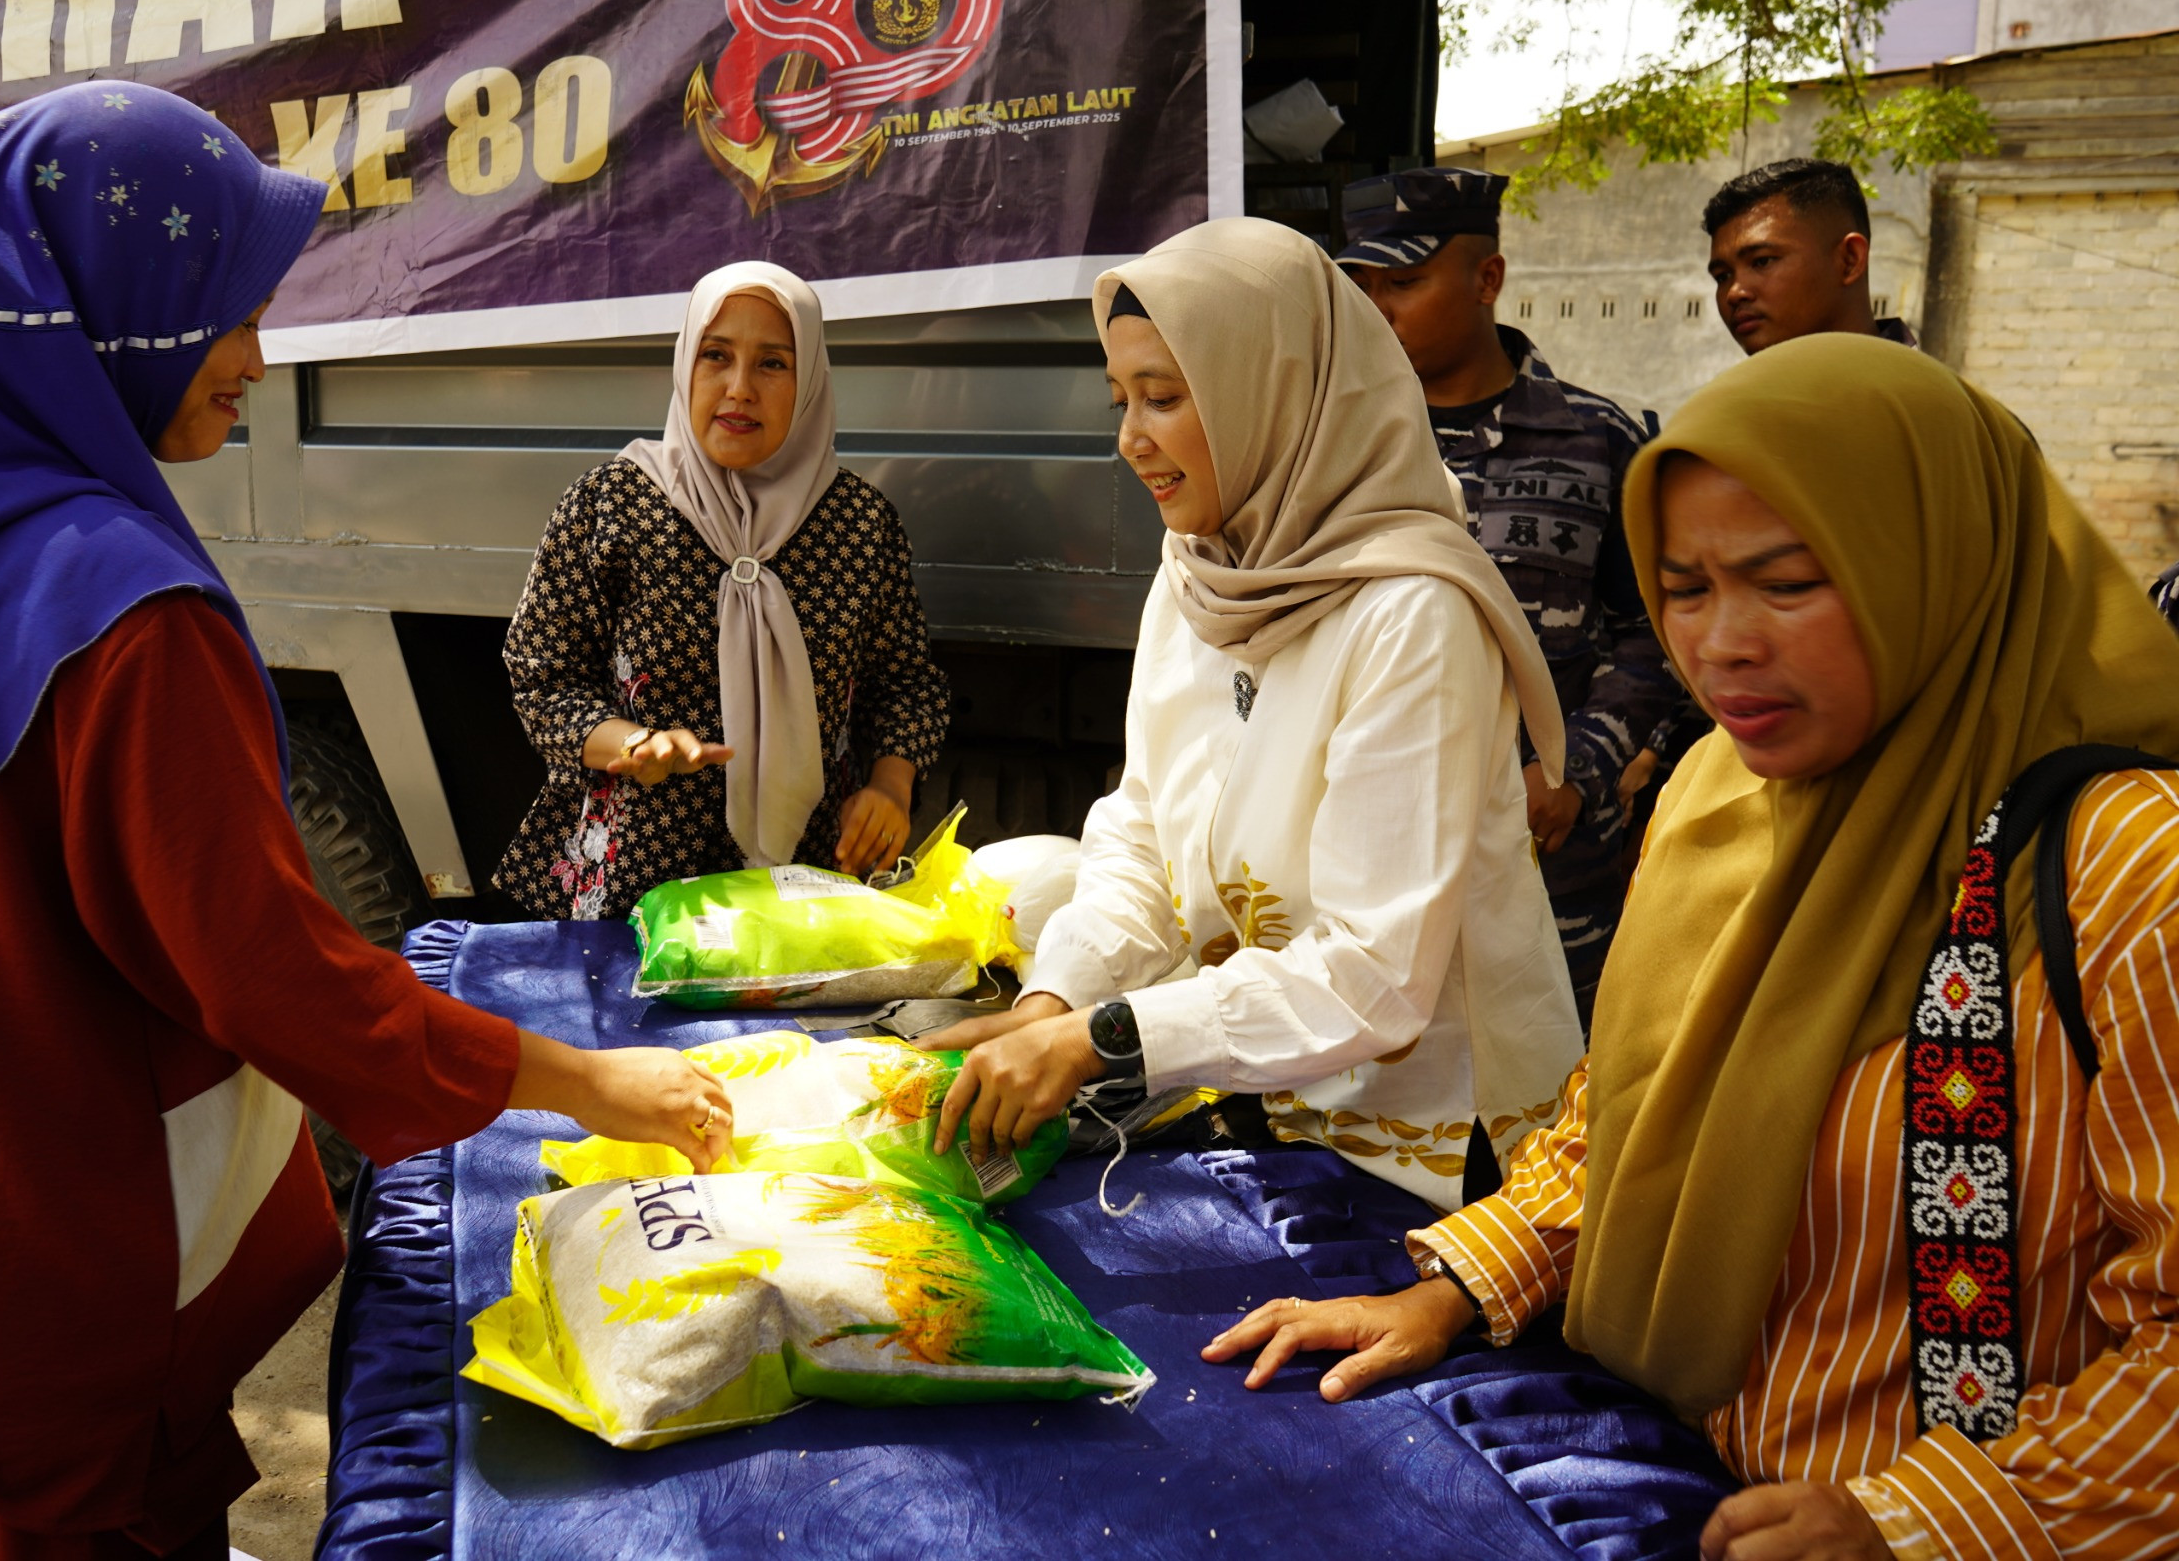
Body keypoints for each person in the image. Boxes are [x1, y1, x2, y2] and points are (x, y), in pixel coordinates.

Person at [0, 85, 732, 1561]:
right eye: (229, 317)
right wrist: (589, 1082)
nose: (259, 363)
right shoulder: (126, 615)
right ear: (97, 324)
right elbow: (270, 972)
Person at [1206, 333, 2179, 1560]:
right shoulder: (1719, 798)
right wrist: (1452, 1289)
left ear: (1937, 566)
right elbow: (1626, 1112)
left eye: (1788, 582)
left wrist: (1918, 1522)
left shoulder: (2126, 866)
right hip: (1679, 1484)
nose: (1720, 643)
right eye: (1684, 587)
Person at [922, 218, 1585, 1208]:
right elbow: (1143, 830)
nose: (1130, 438)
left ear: (1270, 393)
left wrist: (1103, 1038)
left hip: (1431, 1146)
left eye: (1163, 396)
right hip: (1264, 1107)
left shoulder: (1412, 612)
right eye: (1120, 399)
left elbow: (1375, 971)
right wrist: (1057, 995)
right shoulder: (1200, 569)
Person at [1336, 166, 1693, 1023]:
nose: (1378, 310)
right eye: (1363, 287)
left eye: (1405, 282)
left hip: (1548, 875)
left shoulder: (1601, 440)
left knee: (1552, 1087)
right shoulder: (1334, 446)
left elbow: (1658, 632)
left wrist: (1575, 769)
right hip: (1368, 865)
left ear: (1487, 278)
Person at [494, 262, 949, 919]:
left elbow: (905, 684)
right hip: (638, 888)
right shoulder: (609, 506)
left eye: (772, 364)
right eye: (716, 355)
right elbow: (543, 678)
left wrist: (890, 788)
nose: (739, 388)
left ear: (810, 381)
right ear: (686, 364)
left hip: (805, 886)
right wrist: (630, 743)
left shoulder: (859, 524)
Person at [1703, 157, 1916, 354]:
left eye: (1762, 261)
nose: (1733, 294)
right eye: (1722, 276)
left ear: (1850, 259)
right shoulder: (1745, 385)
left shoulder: (1922, 382)